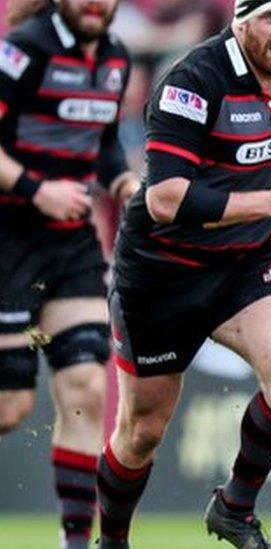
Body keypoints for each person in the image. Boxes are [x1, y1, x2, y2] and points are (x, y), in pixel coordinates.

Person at [97, 1, 271, 547]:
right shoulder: (193, 80)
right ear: (240, 21)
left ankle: (235, 508)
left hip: (243, 261)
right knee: (142, 432)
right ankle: (113, 541)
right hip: (161, 273)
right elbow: (165, 200)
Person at [0, 1, 137, 547]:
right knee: (11, 406)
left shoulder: (117, 58)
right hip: (8, 239)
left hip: (72, 243)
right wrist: (38, 189)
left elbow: (102, 144)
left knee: (85, 382)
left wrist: (125, 184)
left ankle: (76, 542)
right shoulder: (26, 48)